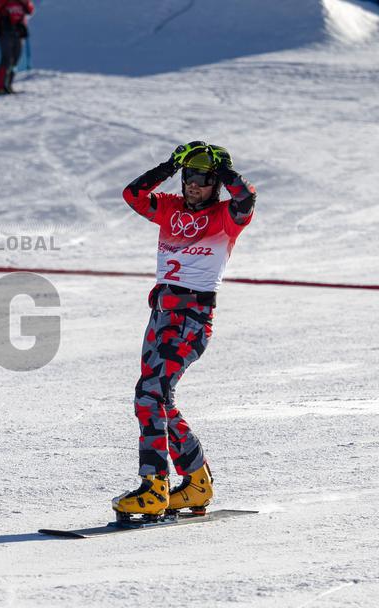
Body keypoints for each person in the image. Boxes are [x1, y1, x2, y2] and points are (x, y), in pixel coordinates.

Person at [112, 141, 257, 521]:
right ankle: (195, 482)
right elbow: (133, 194)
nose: (194, 186)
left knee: (148, 395)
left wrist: (225, 171)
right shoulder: (170, 209)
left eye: (204, 181)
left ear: (216, 185)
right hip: (161, 315)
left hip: (191, 317)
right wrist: (168, 165)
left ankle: (154, 486)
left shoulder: (226, 216)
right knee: (158, 398)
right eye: (189, 178)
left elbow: (247, 199)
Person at [0, 0, 33, 95]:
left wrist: (25, 2)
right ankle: (0, 87)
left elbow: (30, 10)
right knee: (6, 59)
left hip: (19, 33)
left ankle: (9, 85)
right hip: (5, 33)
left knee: (15, 60)